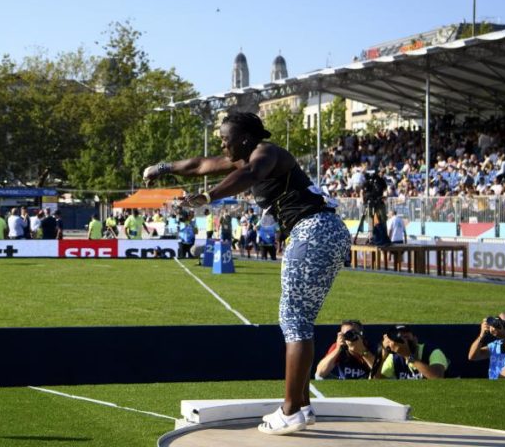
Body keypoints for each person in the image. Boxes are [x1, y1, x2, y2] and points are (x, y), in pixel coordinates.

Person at [143, 111, 351, 435]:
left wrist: (208, 196)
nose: (222, 146)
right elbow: (200, 165)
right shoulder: (243, 157)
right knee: (299, 321)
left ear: (243, 139)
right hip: (325, 231)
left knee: (293, 319)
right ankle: (303, 405)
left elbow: (253, 173)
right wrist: (163, 168)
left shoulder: (266, 153)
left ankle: (290, 410)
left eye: (225, 140)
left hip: (314, 231)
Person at [375, 325, 449, 380]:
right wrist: (381, 358)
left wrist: (408, 356)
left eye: (406, 337)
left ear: (415, 339)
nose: (404, 342)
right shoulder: (394, 357)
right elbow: (375, 382)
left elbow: (437, 378)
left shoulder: (432, 352)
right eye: (400, 339)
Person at [468, 312, 505, 379]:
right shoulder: (495, 345)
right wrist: (481, 336)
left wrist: (504, 338)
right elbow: (472, 356)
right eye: (499, 324)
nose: (502, 328)